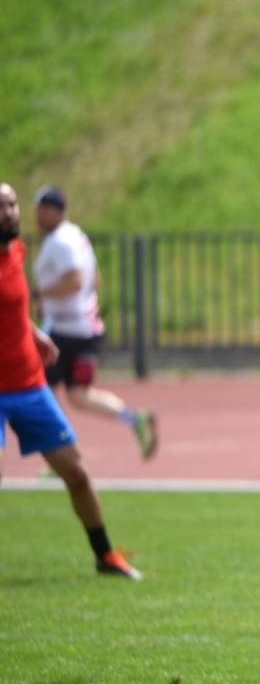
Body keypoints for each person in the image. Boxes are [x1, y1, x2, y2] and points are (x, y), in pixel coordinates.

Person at [0, 182, 142, 579]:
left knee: (77, 474)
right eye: (1, 207)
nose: (9, 212)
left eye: (12, 204)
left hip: (29, 385)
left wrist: (33, 334)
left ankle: (105, 556)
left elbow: (13, 308)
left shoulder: (16, 251)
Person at [31, 185, 158, 461]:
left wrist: (40, 294)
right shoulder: (77, 236)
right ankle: (133, 419)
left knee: (41, 393)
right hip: (85, 327)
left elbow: (75, 281)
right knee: (79, 394)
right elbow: (94, 279)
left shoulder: (60, 242)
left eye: (40, 210)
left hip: (65, 331)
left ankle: (63, 454)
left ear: (52, 210)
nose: (36, 216)